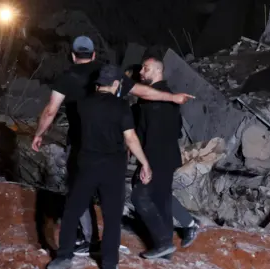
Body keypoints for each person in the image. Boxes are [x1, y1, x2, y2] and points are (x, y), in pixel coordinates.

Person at [31, 36, 194, 257]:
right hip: (112, 151)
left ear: (73, 55)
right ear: (94, 55)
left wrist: (39, 134)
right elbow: (142, 94)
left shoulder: (67, 78)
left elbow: (51, 110)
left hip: (82, 146)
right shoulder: (109, 77)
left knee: (79, 195)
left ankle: (84, 242)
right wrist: (172, 98)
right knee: (113, 202)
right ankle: (112, 251)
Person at [46, 64, 152, 269]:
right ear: (115, 83)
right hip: (113, 167)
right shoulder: (121, 106)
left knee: (72, 210)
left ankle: (63, 257)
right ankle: (109, 263)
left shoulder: (83, 104)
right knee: (112, 217)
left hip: (87, 164)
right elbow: (130, 138)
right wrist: (144, 162)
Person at [130, 56, 188, 259]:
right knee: (161, 200)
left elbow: (153, 136)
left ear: (157, 71)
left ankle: (163, 243)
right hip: (168, 157)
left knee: (140, 197)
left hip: (157, 158)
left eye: (145, 68)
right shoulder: (166, 96)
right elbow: (177, 130)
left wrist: (146, 165)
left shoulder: (156, 101)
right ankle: (165, 250)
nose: (141, 72)